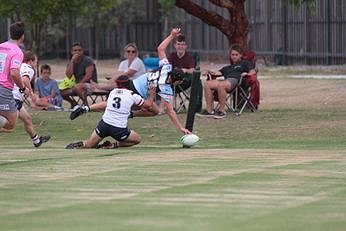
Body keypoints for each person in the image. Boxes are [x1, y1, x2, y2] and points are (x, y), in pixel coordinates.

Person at [65, 75, 156, 149]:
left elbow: (107, 105)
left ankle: (82, 144)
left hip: (104, 125)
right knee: (137, 139)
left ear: (117, 84)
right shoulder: (132, 95)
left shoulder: (113, 92)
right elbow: (148, 105)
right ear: (129, 84)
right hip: (119, 129)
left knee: (90, 145)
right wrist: (151, 95)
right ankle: (113, 145)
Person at [131, 27, 191, 134]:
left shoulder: (166, 67)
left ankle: (131, 114)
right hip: (137, 93)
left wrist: (172, 36)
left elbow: (160, 49)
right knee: (153, 109)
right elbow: (170, 112)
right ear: (176, 81)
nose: (180, 83)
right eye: (180, 81)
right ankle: (129, 113)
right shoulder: (166, 89)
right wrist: (180, 128)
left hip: (134, 83)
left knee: (156, 111)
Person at [197, 44, 256, 119]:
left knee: (222, 85)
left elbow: (253, 71)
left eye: (236, 55)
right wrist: (208, 71)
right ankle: (209, 111)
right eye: (232, 55)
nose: (234, 56)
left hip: (236, 81)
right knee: (207, 84)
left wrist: (247, 74)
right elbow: (216, 73)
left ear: (241, 55)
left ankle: (222, 111)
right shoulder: (228, 67)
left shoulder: (245, 63)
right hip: (226, 81)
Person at [12, 50, 51, 147]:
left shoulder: (20, 66)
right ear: (30, 61)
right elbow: (25, 79)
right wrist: (31, 93)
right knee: (9, 124)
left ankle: (37, 141)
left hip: (15, 98)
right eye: (36, 61)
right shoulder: (29, 69)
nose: (36, 63)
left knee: (27, 119)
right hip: (14, 98)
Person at [0, 21, 30, 132]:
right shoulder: (17, 51)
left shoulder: (1, 46)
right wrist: (23, 88)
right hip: (3, 88)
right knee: (11, 122)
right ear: (22, 36)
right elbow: (14, 73)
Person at [60, 42, 97, 108]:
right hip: (76, 86)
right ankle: (74, 104)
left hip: (90, 85)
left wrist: (78, 84)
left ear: (82, 51)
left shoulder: (88, 60)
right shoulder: (71, 62)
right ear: (72, 52)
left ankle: (86, 106)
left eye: (79, 50)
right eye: (75, 50)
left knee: (77, 87)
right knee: (60, 91)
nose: (77, 52)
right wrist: (72, 61)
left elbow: (88, 76)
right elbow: (69, 76)